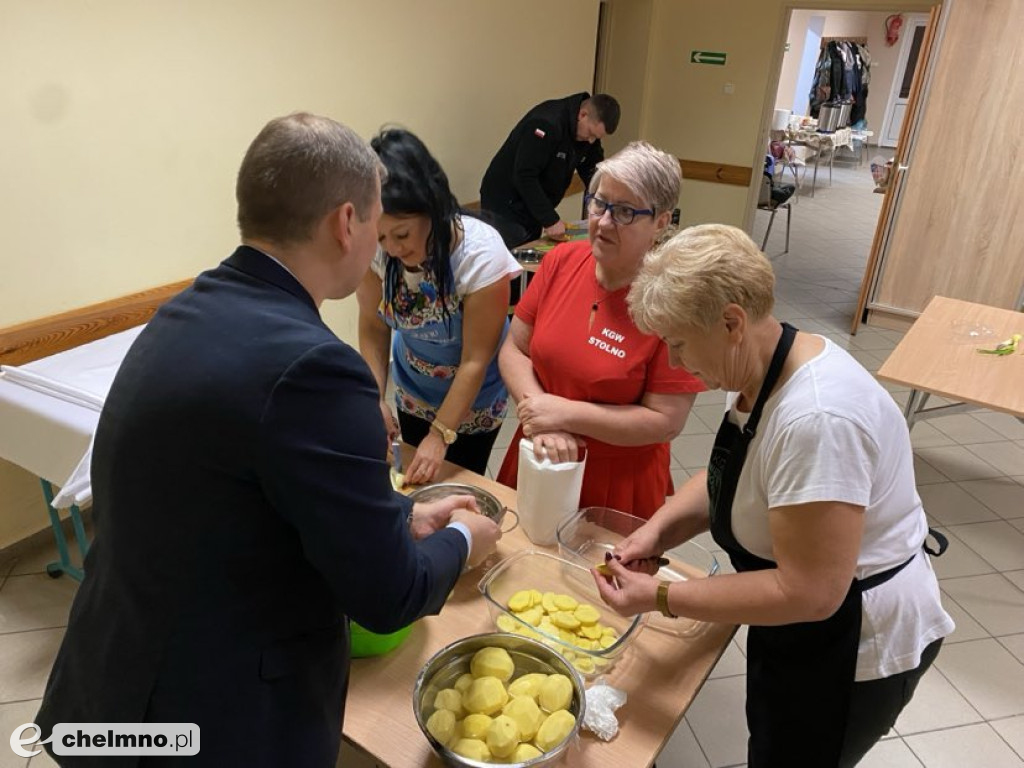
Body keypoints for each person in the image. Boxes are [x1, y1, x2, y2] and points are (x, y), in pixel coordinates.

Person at [34, 113, 501, 768]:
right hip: (208, 718)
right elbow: (387, 593)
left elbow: (245, 494)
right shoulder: (316, 367)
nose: (381, 244)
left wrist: (403, 513)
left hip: (108, 682)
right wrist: (460, 541)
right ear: (346, 223)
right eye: (376, 225)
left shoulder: (188, 308)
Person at [595, 224, 954, 767]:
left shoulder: (817, 419)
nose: (673, 362)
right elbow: (738, 473)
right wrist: (657, 530)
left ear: (731, 321)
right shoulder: (760, 362)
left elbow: (810, 591)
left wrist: (662, 597)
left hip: (849, 642)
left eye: (679, 344)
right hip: (798, 621)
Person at [496, 141, 704, 520]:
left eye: (624, 211)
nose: (604, 221)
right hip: (540, 453)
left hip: (617, 481)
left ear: (661, 221)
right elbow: (514, 349)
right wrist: (540, 416)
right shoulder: (560, 261)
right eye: (599, 203)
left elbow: (665, 421)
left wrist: (562, 415)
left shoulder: (675, 300)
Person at [356, 128, 521, 483]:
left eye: (401, 234)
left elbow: (475, 360)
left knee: (458, 487)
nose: (393, 249)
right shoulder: (378, 253)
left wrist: (441, 433)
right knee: (414, 485)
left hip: (473, 401)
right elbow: (373, 324)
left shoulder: (480, 256)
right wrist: (374, 398)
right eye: (381, 237)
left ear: (432, 207)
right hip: (414, 388)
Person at [480, 92, 620, 248]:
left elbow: (593, 170)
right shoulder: (547, 123)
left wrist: (605, 201)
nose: (591, 141)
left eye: (597, 138)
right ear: (582, 114)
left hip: (532, 203)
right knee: (513, 255)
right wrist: (550, 219)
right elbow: (525, 175)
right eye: (591, 134)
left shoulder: (586, 134)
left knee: (532, 246)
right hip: (506, 202)